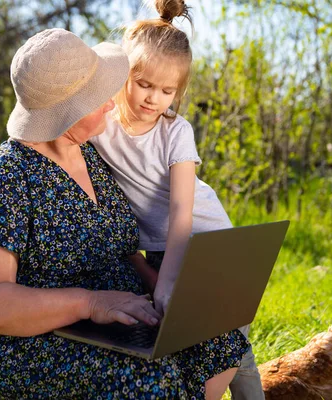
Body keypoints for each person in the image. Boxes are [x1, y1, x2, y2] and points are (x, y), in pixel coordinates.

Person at [0, 28, 248, 400]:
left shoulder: (91, 155)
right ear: (66, 114)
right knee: (149, 378)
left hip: (117, 317)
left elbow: (121, 248)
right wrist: (90, 303)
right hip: (31, 345)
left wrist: (160, 289)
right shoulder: (3, 178)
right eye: (97, 98)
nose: (111, 102)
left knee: (218, 340)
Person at [89, 1, 265, 399]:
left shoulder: (176, 132)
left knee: (231, 348)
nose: (154, 99)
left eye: (168, 91)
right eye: (145, 85)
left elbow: (181, 213)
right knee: (184, 345)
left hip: (212, 244)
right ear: (123, 76)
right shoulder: (102, 128)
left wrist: (166, 283)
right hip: (160, 249)